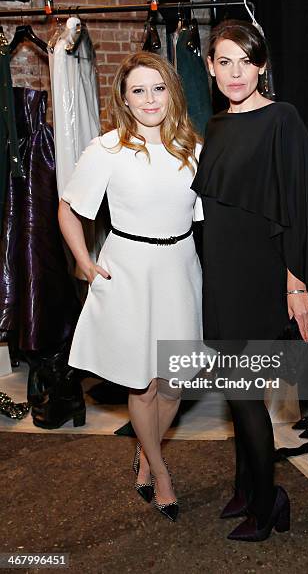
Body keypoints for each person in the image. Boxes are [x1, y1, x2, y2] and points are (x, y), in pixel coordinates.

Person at [58, 52, 203, 523]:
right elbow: (69, 210)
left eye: (158, 88)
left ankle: (145, 452)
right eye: (138, 90)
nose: (149, 99)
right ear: (123, 98)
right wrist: (84, 262)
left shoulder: (192, 147)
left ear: (172, 93)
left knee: (175, 381)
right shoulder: (107, 149)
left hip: (181, 266)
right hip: (130, 268)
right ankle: (159, 471)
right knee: (142, 384)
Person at [191, 20, 308, 541]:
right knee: (232, 391)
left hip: (262, 280)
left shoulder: (282, 120)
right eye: (224, 61)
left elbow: (298, 209)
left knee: (246, 396)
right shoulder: (217, 126)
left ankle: (269, 503)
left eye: (245, 60)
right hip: (221, 276)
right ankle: (246, 487)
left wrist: (297, 285)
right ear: (211, 68)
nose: (235, 72)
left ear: (261, 65)